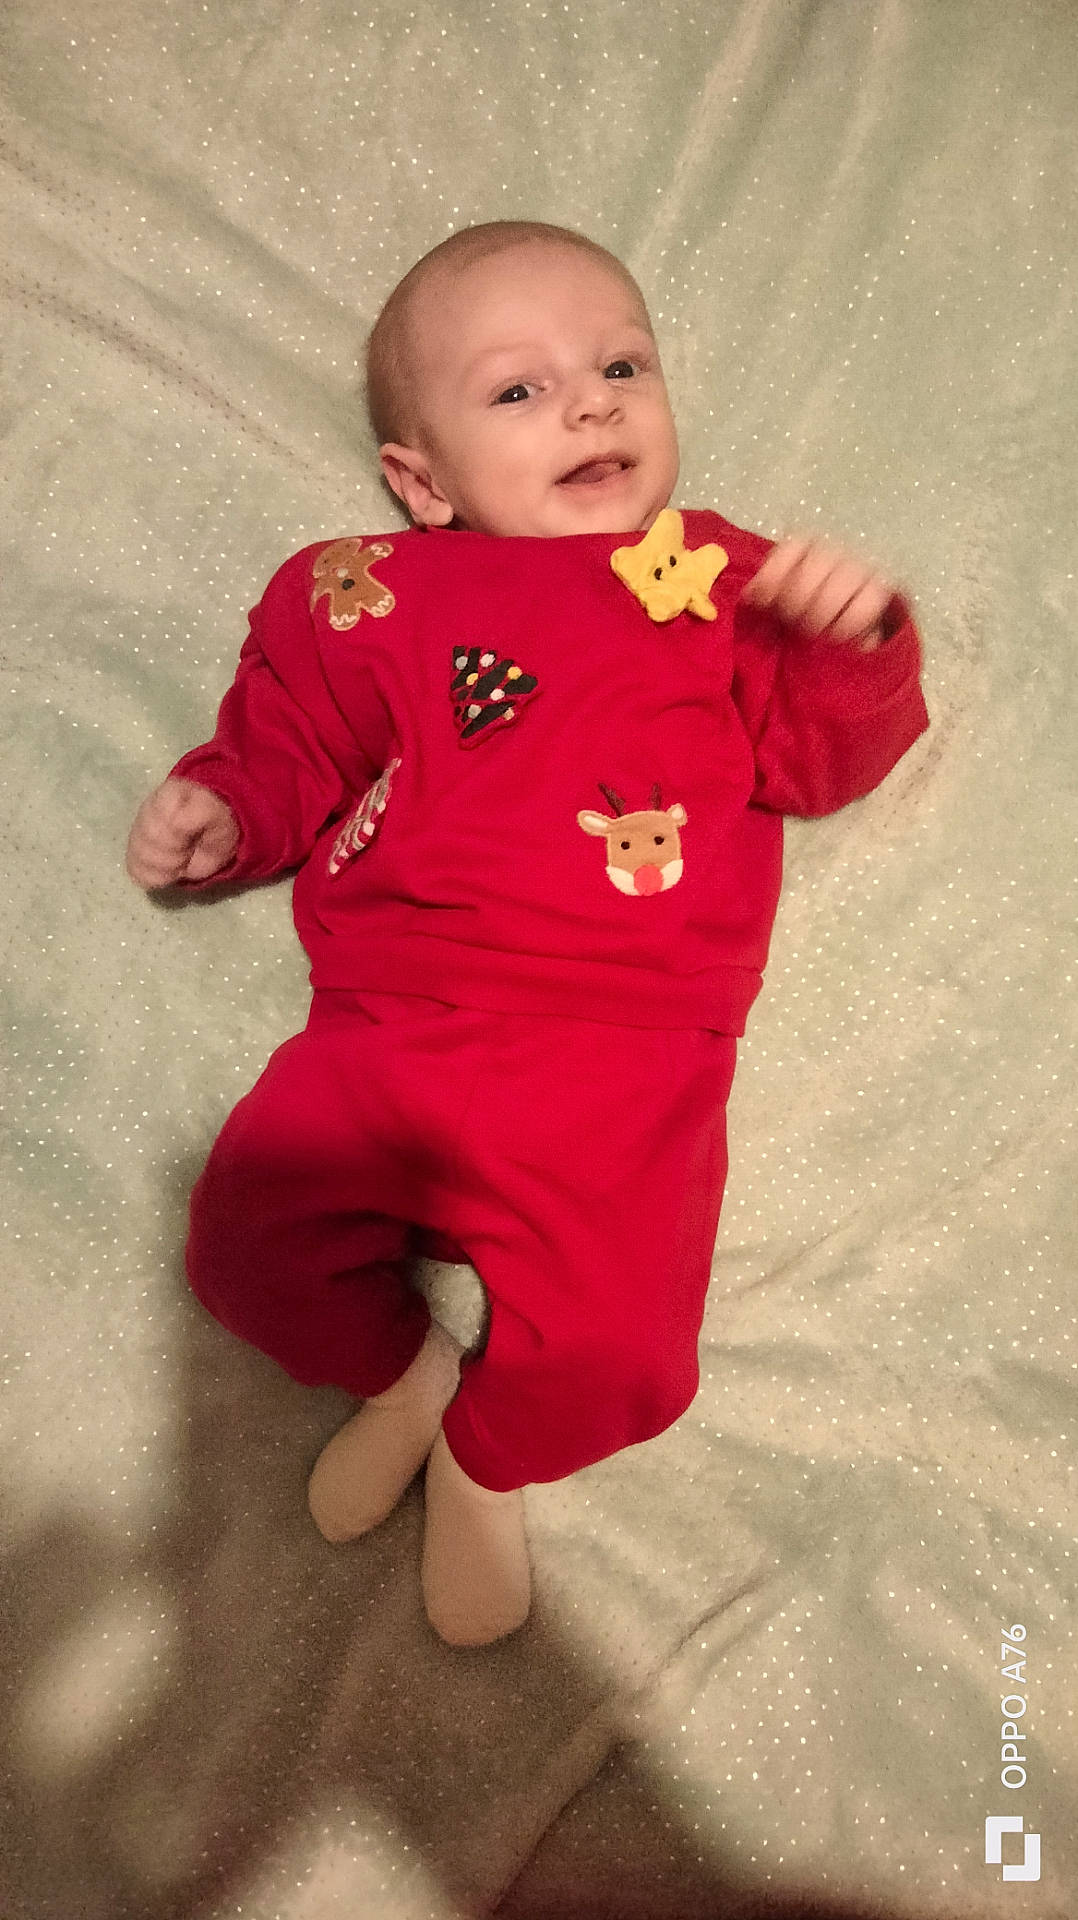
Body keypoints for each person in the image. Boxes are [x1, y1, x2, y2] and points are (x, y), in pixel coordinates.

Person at [126, 220, 929, 1646]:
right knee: (243, 1247)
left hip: (625, 1053)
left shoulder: (725, 584)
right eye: (519, 389)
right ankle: (410, 1380)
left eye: (623, 362)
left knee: (622, 1356)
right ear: (420, 481)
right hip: (387, 1024)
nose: (590, 401)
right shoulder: (368, 592)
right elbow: (295, 743)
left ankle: (487, 1459)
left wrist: (855, 648)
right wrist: (224, 807)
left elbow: (821, 762)